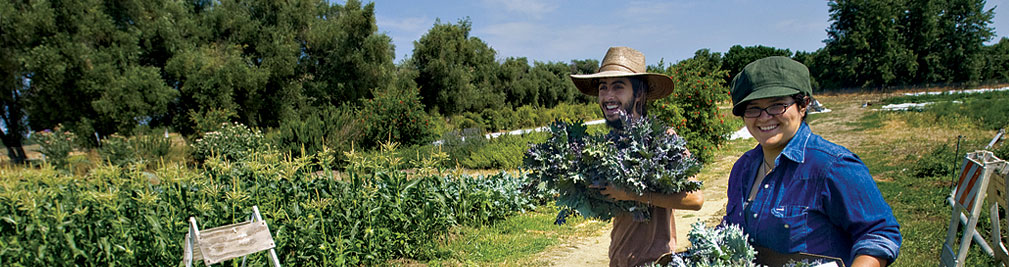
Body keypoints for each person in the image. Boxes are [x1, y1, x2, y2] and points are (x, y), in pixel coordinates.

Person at [722, 56, 901, 267]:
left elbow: (879, 235)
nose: (764, 117)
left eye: (777, 105)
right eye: (753, 108)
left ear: (803, 105)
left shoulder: (832, 166)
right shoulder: (743, 168)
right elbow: (732, 231)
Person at [570, 46, 704, 267]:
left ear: (639, 93)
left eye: (618, 87)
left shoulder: (663, 139)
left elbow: (695, 199)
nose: (608, 96)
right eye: (603, 88)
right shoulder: (609, 145)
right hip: (618, 260)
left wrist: (630, 193)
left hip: (655, 262)